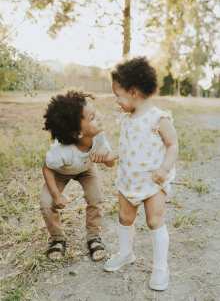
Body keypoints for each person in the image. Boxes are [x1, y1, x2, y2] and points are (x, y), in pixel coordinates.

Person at [92, 56, 178, 290]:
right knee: (125, 218)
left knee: (154, 221)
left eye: (117, 95)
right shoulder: (127, 119)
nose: (116, 101)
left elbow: (172, 144)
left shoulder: (158, 118)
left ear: (133, 92)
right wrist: (110, 156)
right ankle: (126, 252)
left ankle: (161, 266)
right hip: (128, 181)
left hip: (153, 181)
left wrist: (164, 168)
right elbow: (129, 145)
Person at [40, 90, 115, 261]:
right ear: (77, 134)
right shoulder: (61, 151)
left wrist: (106, 154)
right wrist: (56, 194)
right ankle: (58, 239)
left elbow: (110, 164)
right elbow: (47, 168)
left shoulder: (98, 135)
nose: (99, 117)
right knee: (46, 202)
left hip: (86, 170)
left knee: (96, 199)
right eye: (92, 117)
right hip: (60, 172)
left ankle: (93, 236)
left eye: (96, 113)